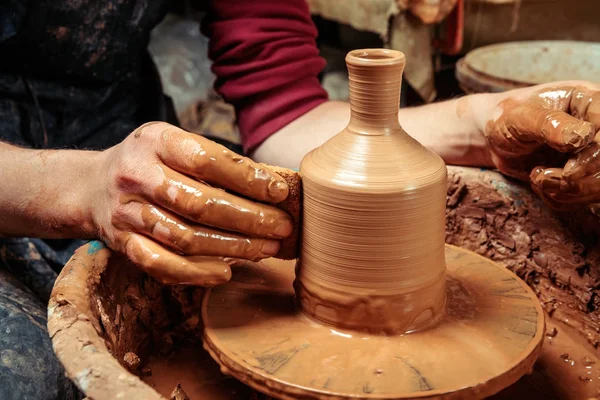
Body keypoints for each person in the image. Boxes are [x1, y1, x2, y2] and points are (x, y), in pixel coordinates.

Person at [0, 1, 599, 399]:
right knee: (39, 384)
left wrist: (486, 122)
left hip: (123, 142)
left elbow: (287, 111)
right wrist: (75, 187)